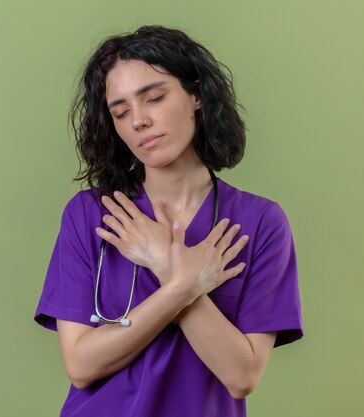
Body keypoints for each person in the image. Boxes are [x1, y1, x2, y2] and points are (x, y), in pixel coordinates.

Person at [34, 25, 303, 417]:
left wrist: (162, 261)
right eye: (121, 112)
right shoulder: (91, 215)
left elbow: (242, 374)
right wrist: (181, 285)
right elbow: (81, 366)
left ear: (196, 94)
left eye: (154, 98)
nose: (139, 121)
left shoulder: (259, 222)